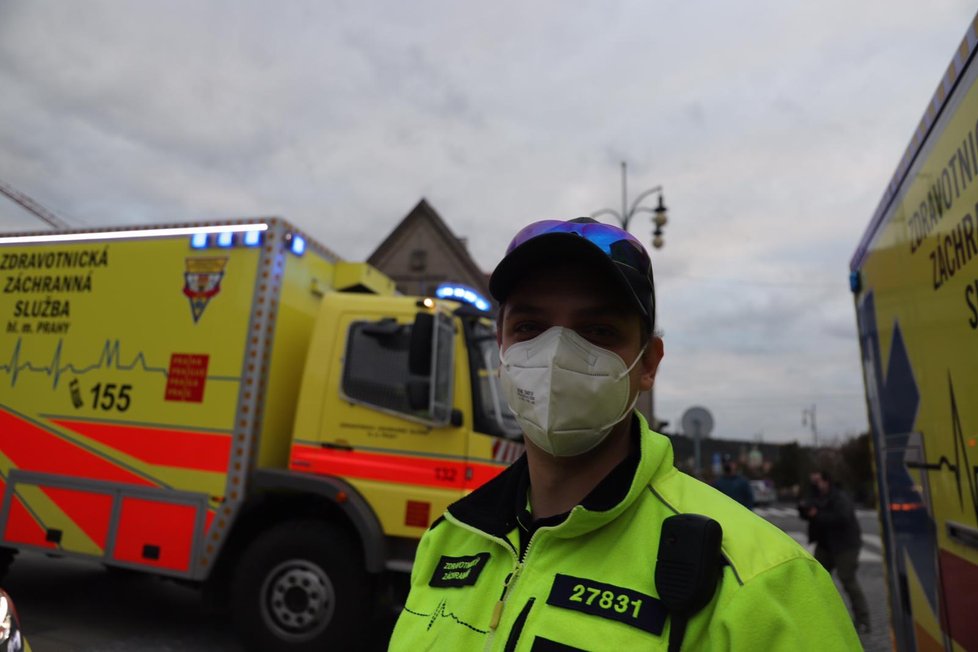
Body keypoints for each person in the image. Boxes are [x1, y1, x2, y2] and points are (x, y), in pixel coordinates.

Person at [389, 218, 859, 650]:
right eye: (530, 327)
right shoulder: (450, 540)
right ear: (503, 349)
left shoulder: (765, 585)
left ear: (648, 364)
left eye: (597, 331)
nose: (555, 357)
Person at [800, 470, 871, 634]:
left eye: (818, 481)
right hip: (826, 544)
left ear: (826, 481)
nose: (815, 484)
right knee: (816, 577)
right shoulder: (816, 495)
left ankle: (863, 619)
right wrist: (807, 510)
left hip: (845, 545)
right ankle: (819, 616)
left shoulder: (839, 496)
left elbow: (842, 517)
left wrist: (818, 514)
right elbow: (806, 513)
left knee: (847, 578)